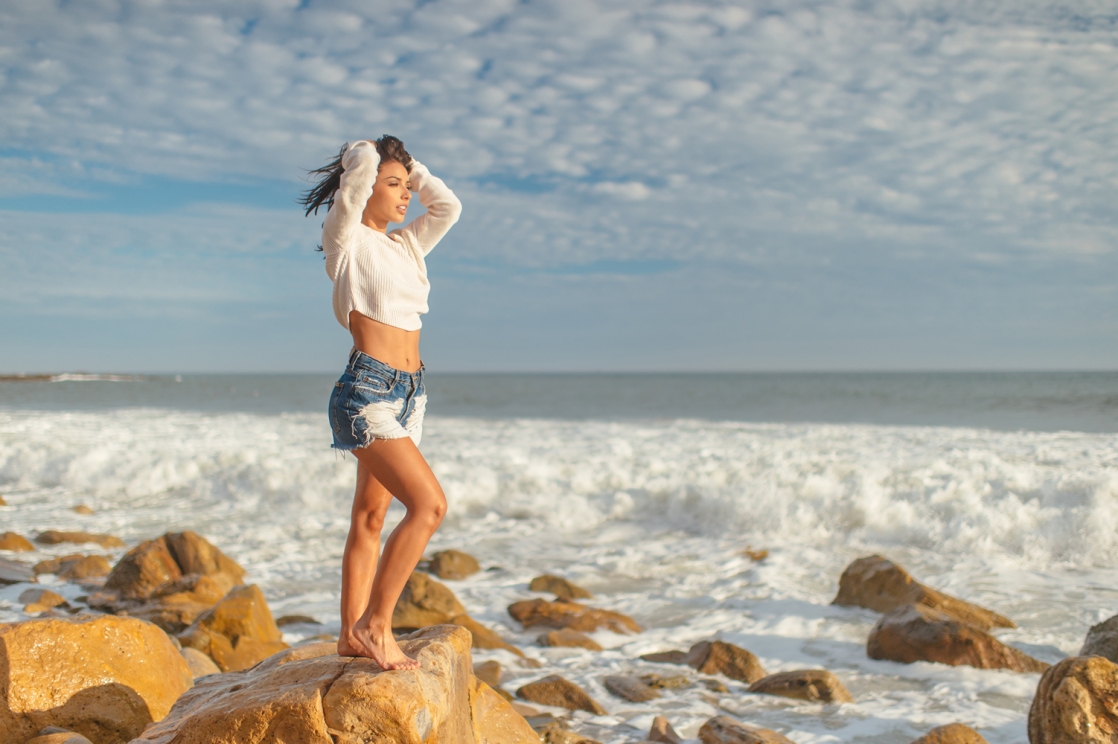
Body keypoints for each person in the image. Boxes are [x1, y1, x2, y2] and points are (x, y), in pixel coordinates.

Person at [300, 135, 462, 670]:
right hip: (367, 391)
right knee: (429, 506)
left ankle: (350, 634)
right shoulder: (344, 241)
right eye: (393, 185)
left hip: (411, 394)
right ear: (366, 185)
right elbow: (353, 188)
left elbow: (449, 206)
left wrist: (412, 169)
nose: (406, 195)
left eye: (406, 185)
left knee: (371, 515)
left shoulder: (407, 246)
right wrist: (366, 151)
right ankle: (375, 624)